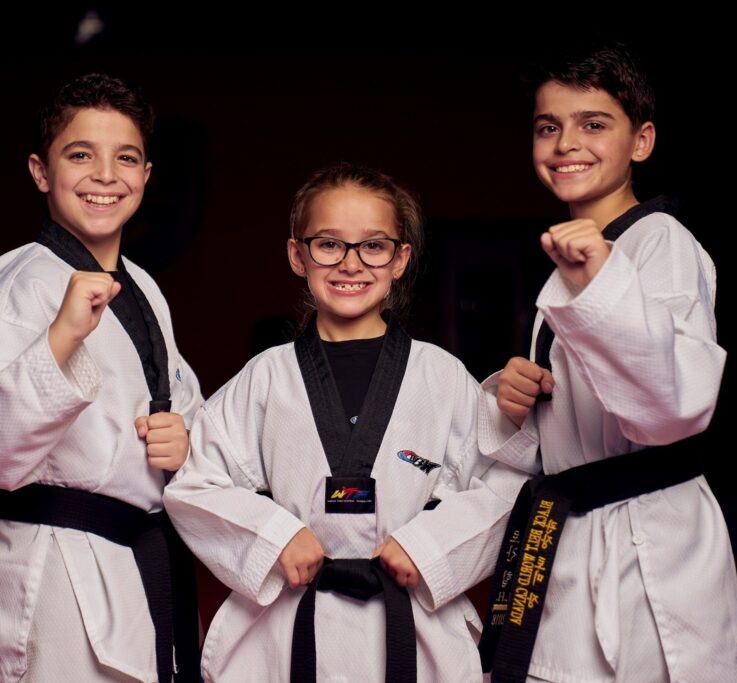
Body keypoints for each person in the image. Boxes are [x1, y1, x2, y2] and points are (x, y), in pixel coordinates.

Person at [163, 163, 524, 682]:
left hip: (413, 633)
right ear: (297, 255)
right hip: (286, 633)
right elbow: (195, 482)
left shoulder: (440, 376)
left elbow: (506, 482)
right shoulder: (267, 376)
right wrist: (275, 537)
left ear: (400, 259)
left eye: (373, 246)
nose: (350, 263)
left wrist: (428, 548)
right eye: (328, 244)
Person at [477, 43, 737, 682]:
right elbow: (569, 420)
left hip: (648, 540)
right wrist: (517, 393)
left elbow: (669, 410)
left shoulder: (661, 243)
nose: (566, 142)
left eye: (593, 124)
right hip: (574, 525)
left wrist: (602, 279)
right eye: (549, 126)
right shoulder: (576, 258)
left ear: (642, 141)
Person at [0, 73, 203, 682]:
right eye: (80, 154)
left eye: (126, 157)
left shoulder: (145, 287)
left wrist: (183, 437)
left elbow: (184, 400)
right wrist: (60, 338)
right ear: (40, 171)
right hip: (54, 569)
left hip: (136, 561)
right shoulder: (20, 284)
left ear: (146, 174)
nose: (106, 175)